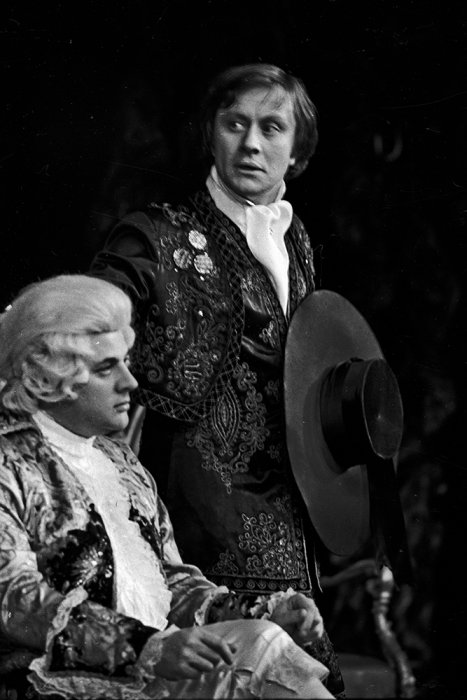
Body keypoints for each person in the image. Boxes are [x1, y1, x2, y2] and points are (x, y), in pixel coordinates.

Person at [90, 63, 344, 692]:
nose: (251, 143)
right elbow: (90, 318)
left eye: (271, 128)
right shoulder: (155, 235)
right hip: (195, 516)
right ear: (211, 134)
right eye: (235, 124)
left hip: (291, 525)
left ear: (297, 151)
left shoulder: (298, 241)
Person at [0, 273, 335, 699]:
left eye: (126, 361)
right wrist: (146, 648)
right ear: (50, 377)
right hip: (53, 682)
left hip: (151, 671)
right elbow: (15, 599)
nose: (130, 381)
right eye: (106, 368)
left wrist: (261, 613)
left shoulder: (121, 463)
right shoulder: (9, 464)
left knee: (262, 639)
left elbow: (171, 582)